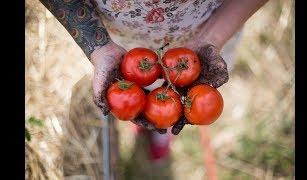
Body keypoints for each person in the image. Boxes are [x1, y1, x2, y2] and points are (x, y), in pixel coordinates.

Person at [40, 0, 268, 163]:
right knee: (142, 92)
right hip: (122, 40)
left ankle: (162, 129)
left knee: (169, 103)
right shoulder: (130, 61)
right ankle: (153, 119)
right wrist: (100, 49)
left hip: (214, 28)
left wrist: (212, 39)